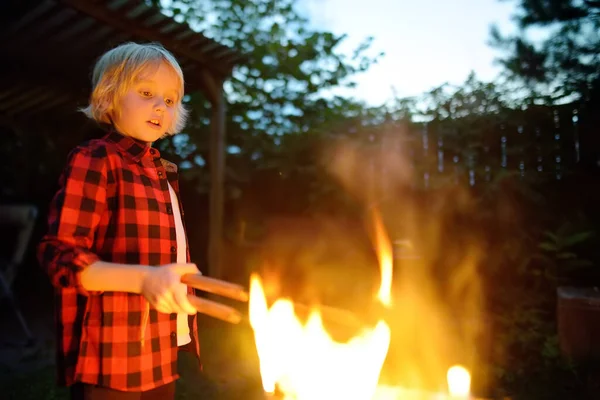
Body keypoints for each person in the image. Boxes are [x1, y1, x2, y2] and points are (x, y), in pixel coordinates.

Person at [38, 42, 202, 400]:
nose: (161, 105)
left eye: (170, 100)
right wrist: (144, 279)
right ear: (110, 95)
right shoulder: (97, 158)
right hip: (111, 349)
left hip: (162, 340)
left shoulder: (163, 172)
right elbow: (60, 255)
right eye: (146, 93)